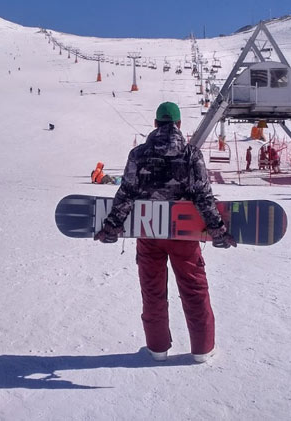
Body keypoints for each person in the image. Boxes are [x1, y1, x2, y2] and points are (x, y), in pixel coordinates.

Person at [95, 102, 236, 364]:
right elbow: (203, 196)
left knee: (152, 289)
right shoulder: (191, 155)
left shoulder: (138, 154)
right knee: (194, 289)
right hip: (184, 233)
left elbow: (127, 193)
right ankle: (203, 349)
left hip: (149, 232)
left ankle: (157, 348)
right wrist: (217, 230)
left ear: (156, 124)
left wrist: (112, 227)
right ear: (179, 125)